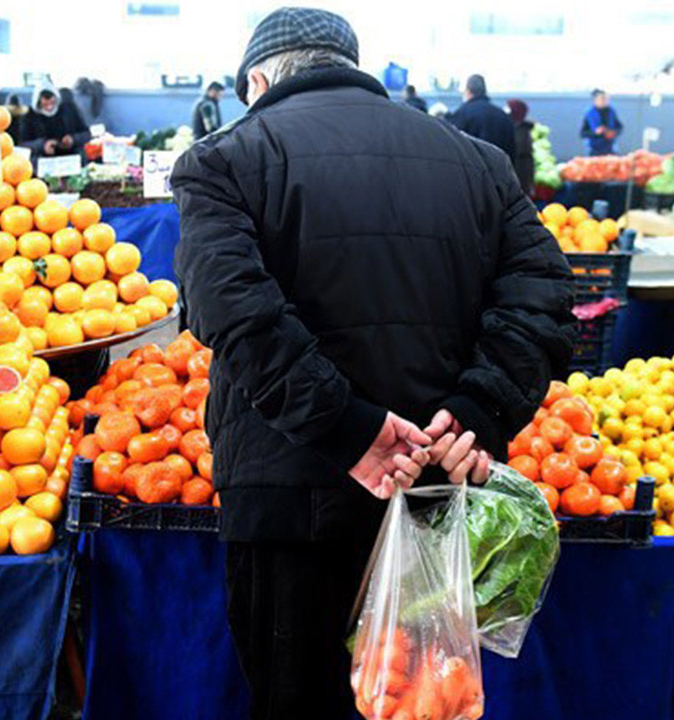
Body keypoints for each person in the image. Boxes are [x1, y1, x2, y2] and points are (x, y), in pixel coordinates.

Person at [171, 7, 576, 718]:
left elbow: (231, 310)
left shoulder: (224, 158)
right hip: (436, 501)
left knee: (296, 697)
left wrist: (347, 428)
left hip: (289, 504)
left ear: (259, 79)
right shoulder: (476, 162)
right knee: (420, 701)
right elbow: (543, 296)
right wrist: (479, 412)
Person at [446, 74, 515, 156]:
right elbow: (511, 149)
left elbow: (454, 145)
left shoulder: (462, 113)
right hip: (500, 166)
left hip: (472, 166)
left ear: (468, 91)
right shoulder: (502, 115)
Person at [19, 85, 90, 159]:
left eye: (52, 103)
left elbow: (86, 134)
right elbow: (23, 144)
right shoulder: (29, 116)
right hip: (43, 160)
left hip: (71, 156)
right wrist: (42, 146)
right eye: (46, 104)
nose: (49, 107)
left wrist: (73, 140)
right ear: (38, 101)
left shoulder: (69, 110)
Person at [580, 89, 623, 156]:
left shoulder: (611, 112)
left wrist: (614, 132)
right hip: (594, 150)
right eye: (602, 99)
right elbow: (582, 133)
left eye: (606, 99)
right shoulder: (589, 114)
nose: (604, 101)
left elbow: (620, 127)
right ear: (595, 100)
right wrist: (595, 132)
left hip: (610, 149)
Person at [508, 98, 535, 194]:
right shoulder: (525, 128)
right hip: (522, 167)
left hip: (520, 168)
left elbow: (520, 149)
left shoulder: (521, 129)